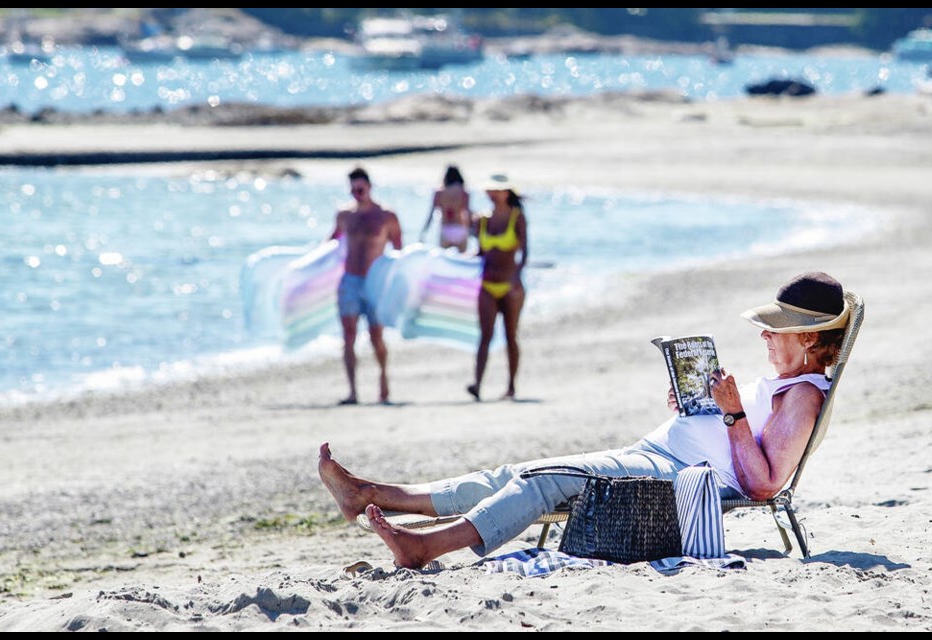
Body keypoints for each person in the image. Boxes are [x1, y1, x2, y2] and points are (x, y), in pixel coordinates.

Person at [318, 272, 851, 569]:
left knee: (543, 482)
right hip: (663, 453)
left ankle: (426, 545)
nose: (765, 336)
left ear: (808, 338)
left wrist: (731, 411)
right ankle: (373, 493)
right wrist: (703, 406)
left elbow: (761, 484)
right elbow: (743, 439)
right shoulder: (786, 385)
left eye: (774, 330)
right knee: (516, 473)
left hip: (676, 477)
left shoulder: (803, 396)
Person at [328, 167, 403, 405]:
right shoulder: (344, 215)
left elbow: (399, 250)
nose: (357, 194)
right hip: (349, 281)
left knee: (376, 336)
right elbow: (331, 244)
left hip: (375, 282)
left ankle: (383, 379)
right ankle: (352, 391)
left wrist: (396, 283)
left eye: (360, 189)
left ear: (369, 187)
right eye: (353, 190)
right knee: (348, 336)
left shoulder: (386, 216)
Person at [465, 173, 528, 401]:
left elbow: (524, 253)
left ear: (507, 193)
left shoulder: (517, 218)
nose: (493, 194)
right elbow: (480, 252)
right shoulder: (481, 219)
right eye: (490, 190)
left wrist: (516, 278)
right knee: (485, 335)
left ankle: (511, 386)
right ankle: (477, 385)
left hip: (511, 286)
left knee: (511, 335)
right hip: (487, 283)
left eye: (498, 190)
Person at [420, 165, 472, 252]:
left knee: (444, 261)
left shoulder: (439, 193)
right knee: (461, 261)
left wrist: (424, 231)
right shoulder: (463, 192)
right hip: (460, 228)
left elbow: (431, 214)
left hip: (446, 229)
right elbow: (468, 213)